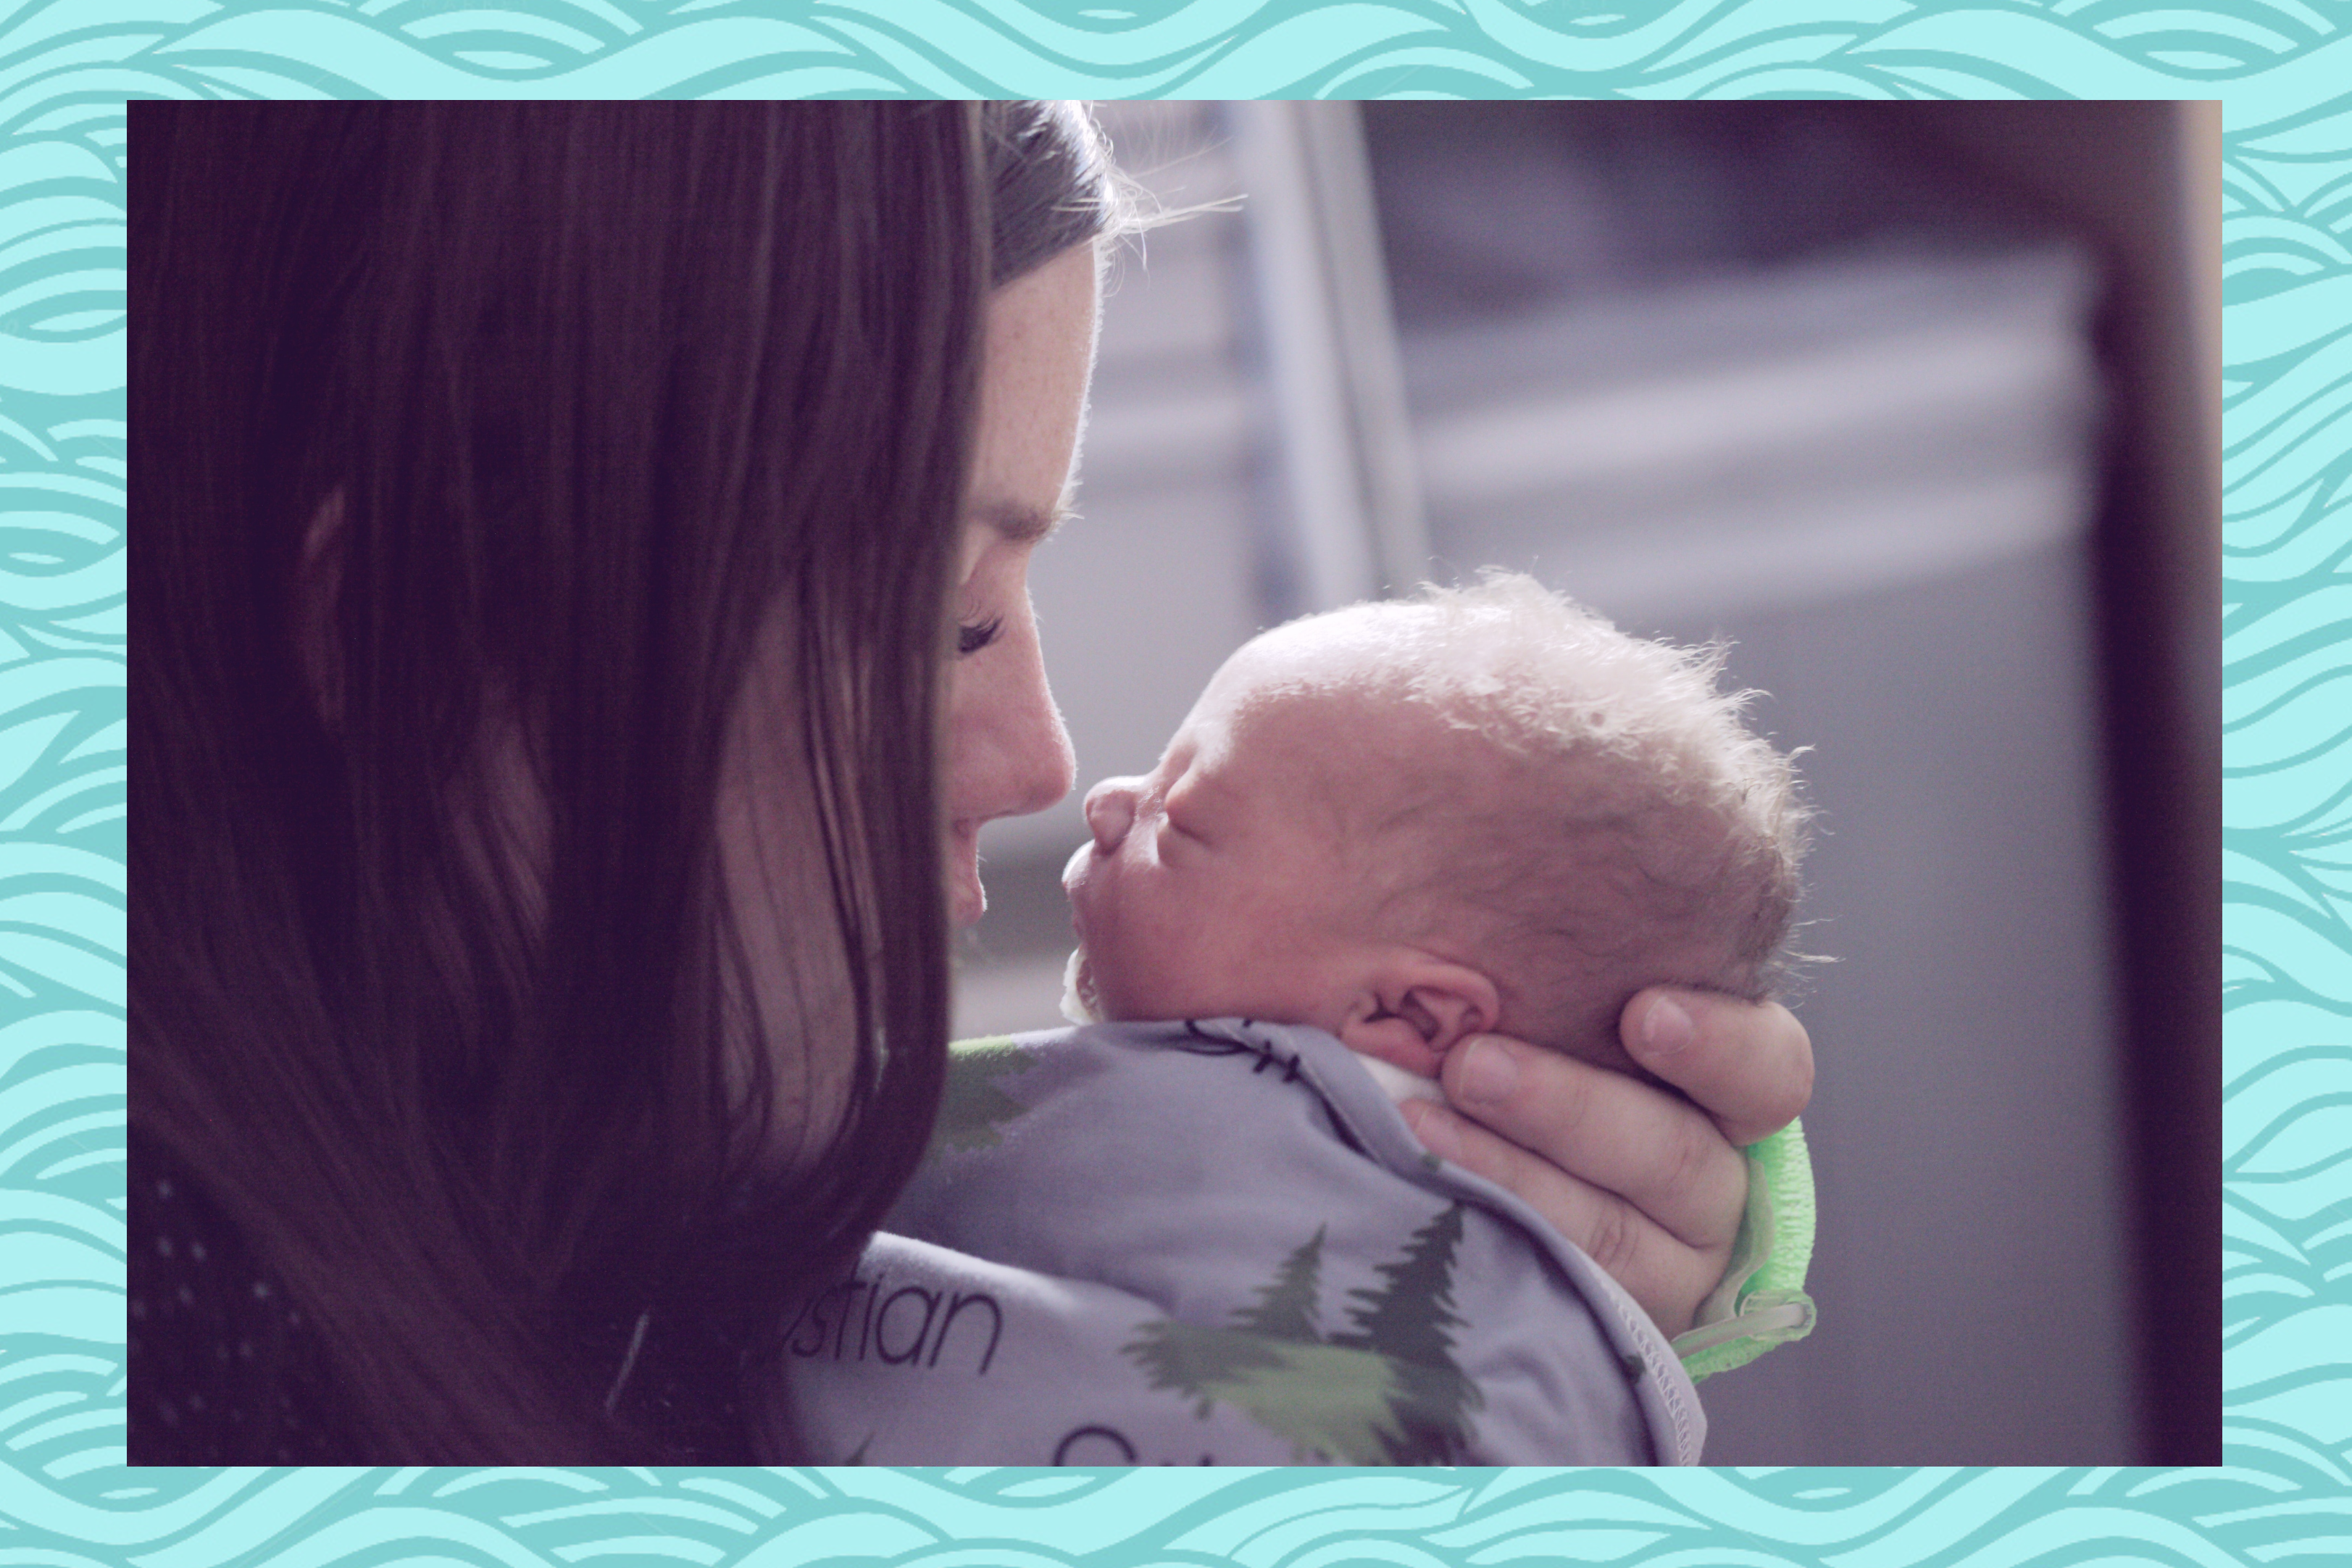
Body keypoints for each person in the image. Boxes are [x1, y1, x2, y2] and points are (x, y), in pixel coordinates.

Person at [128, 101, 1813, 1464]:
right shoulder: (186, 1370)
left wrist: (1590, 1221)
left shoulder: (597, 1145)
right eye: (948, 620)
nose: (1049, 761)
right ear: (417, 624)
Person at [772, 575, 1814, 1464]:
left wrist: (1749, 1241)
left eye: (1181, 820)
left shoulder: (1528, 1280)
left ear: (1407, 1013)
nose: (1100, 796)